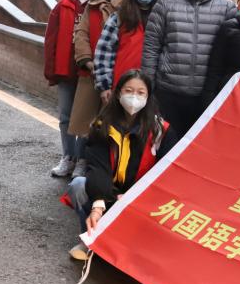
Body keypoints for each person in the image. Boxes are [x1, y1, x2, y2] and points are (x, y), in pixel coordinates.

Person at [66, 69, 176, 260]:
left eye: (140, 92)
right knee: (78, 185)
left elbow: (166, 173)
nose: (134, 97)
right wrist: (98, 205)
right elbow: (98, 167)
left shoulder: (160, 130)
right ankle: (89, 240)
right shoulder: (101, 124)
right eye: (129, 91)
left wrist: (134, 196)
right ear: (118, 94)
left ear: (148, 97)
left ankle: (127, 245)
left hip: (140, 197)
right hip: (108, 191)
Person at [142, 0, 238, 139]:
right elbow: (151, 48)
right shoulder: (165, 3)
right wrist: (148, 88)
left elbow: (232, 55)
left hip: (207, 96)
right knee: (164, 145)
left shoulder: (227, 8)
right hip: (168, 92)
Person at [70, 0, 130, 179]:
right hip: (91, 73)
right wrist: (88, 61)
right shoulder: (92, 5)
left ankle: (104, 167)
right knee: (86, 124)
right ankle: (79, 161)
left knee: (111, 125)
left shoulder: (130, 7)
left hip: (119, 75)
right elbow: (81, 34)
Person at [43, 0, 98, 179]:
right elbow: (51, 39)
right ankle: (68, 157)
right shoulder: (63, 5)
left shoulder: (100, 5)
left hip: (89, 71)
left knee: (85, 118)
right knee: (65, 116)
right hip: (66, 70)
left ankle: (82, 160)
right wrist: (51, 70)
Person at [93, 0, 161, 102]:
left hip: (151, 88)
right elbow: (104, 51)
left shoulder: (161, 18)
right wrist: (104, 85)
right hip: (121, 85)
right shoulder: (119, 17)